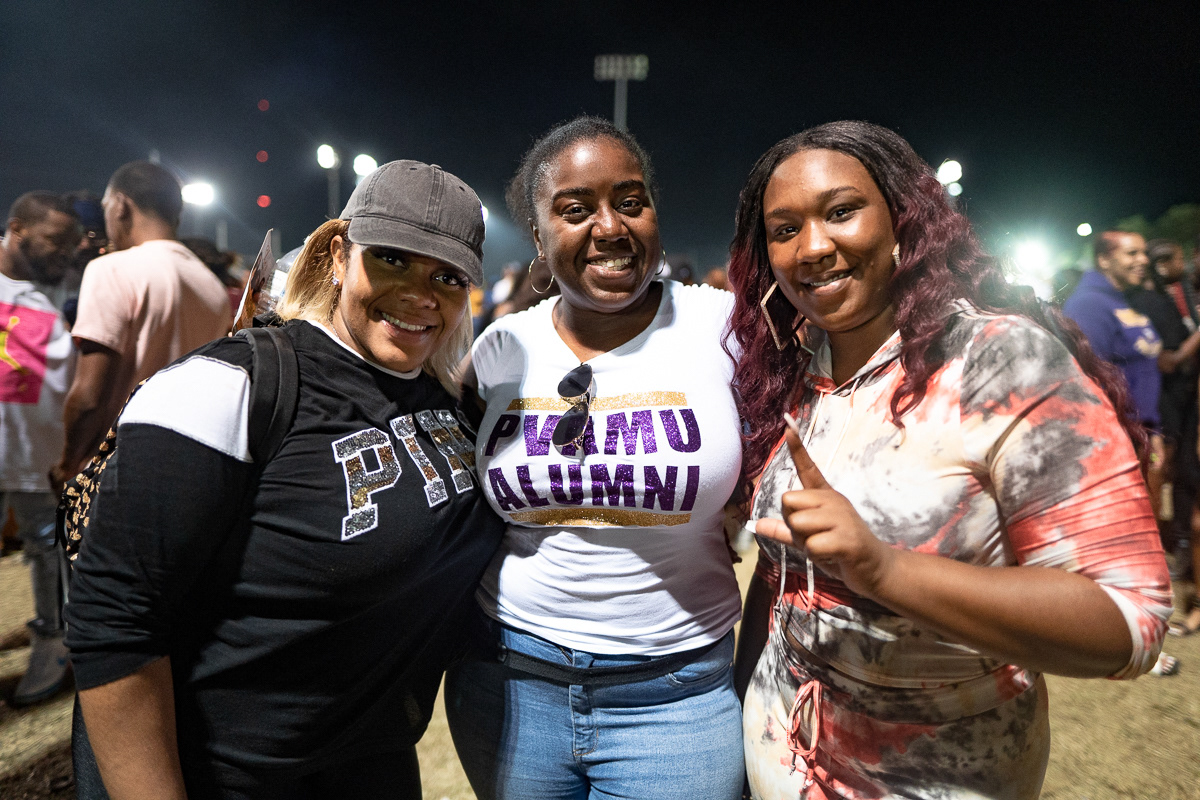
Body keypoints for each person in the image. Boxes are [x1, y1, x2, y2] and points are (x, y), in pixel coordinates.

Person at [728, 121, 1173, 799]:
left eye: (841, 212)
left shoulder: (999, 361)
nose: (811, 246)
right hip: (776, 757)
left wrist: (885, 570)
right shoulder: (791, 371)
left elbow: (1127, 621)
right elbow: (779, 580)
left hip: (939, 775)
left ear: (903, 220)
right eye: (784, 229)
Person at [64, 160, 504, 799]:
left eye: (447, 276)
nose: (421, 293)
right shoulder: (228, 385)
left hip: (371, 765)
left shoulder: (449, 403)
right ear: (337, 255)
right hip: (232, 777)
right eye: (392, 259)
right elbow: (114, 622)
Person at [445, 116, 745, 800]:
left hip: (676, 697)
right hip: (508, 682)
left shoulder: (723, 327)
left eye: (630, 201)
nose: (610, 227)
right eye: (576, 210)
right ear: (539, 239)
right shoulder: (501, 346)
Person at [50, 161, 231, 490]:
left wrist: (67, 465)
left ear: (120, 205)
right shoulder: (212, 287)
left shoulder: (112, 269)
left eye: (106, 206)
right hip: (183, 466)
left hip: (114, 471)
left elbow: (90, 396)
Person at [0, 191, 80, 706]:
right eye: (55, 240)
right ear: (17, 229)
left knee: (47, 552)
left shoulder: (45, 301)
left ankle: (52, 642)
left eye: (71, 244)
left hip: (33, 458)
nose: (65, 253)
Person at [1063, 231, 1166, 516]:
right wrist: (1126, 433)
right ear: (1104, 260)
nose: (1143, 260)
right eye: (1132, 253)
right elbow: (1090, 376)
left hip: (1140, 430)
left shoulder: (1122, 300)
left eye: (1143, 253)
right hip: (1117, 435)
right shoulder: (1088, 305)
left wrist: (1152, 430)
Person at [1131, 239, 1200, 635]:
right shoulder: (1150, 304)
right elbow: (1167, 359)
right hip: (1165, 406)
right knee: (1158, 477)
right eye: (1179, 258)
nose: (1186, 263)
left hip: (1180, 406)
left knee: (1174, 480)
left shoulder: (1176, 294)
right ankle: (1154, 562)